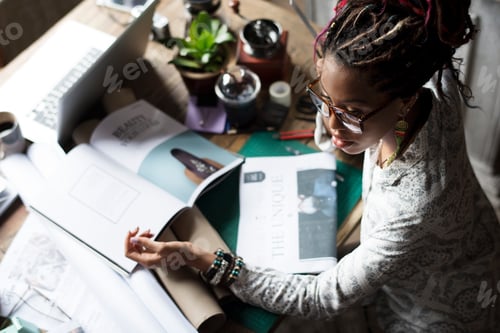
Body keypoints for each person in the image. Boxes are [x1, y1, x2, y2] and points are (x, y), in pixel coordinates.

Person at [125, 0, 500, 331]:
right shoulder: (424, 76)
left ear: (404, 100)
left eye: (352, 114)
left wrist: (208, 261)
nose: (334, 126)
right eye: (324, 98)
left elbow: (321, 297)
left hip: (435, 306)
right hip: (469, 234)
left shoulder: (416, 205)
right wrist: (332, 84)